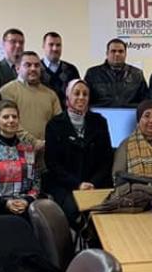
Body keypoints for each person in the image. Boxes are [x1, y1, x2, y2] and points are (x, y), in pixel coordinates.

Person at [43, 79, 114, 224]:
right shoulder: (54, 125)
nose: (81, 97)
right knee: (72, 211)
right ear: (67, 97)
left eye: (85, 94)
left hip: (96, 184)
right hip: (66, 185)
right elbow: (52, 163)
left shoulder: (99, 121)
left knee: (106, 213)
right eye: (76, 93)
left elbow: (107, 159)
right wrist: (78, 184)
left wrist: (92, 183)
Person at [0, 51, 61, 149]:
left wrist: (48, 143)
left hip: (46, 150)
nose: (33, 68)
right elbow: (8, 122)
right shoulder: (7, 91)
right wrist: (33, 142)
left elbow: (59, 123)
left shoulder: (51, 94)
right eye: (28, 65)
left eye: (37, 65)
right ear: (17, 68)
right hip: (16, 150)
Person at [85, 38, 149, 107]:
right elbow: (86, 99)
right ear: (107, 53)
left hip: (130, 113)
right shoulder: (93, 74)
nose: (117, 54)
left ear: (125, 54)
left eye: (121, 51)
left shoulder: (137, 74)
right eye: (113, 51)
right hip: (99, 113)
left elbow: (145, 102)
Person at [40, 31, 80, 105]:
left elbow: (78, 94)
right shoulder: (36, 69)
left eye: (58, 45)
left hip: (66, 111)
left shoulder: (71, 69)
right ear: (43, 46)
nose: (55, 48)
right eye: (51, 45)